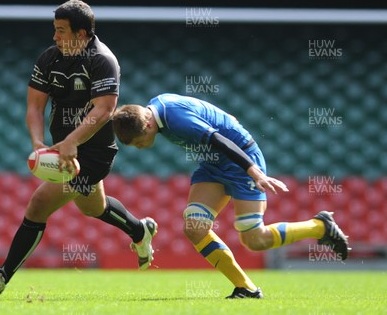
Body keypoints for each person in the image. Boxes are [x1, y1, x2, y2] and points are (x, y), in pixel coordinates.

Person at [0, 0, 157, 296]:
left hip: (95, 153)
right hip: (65, 149)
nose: (55, 36)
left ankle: (1, 276)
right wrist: (38, 142)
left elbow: (104, 110)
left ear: (83, 33)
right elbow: (35, 107)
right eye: (55, 29)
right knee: (94, 208)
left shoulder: (102, 60)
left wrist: (72, 142)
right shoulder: (49, 59)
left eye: (61, 31)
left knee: (38, 205)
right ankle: (140, 231)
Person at [111, 93, 350, 298]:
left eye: (139, 142)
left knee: (255, 239)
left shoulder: (177, 120)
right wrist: (227, 118)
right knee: (195, 228)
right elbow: (208, 114)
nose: (139, 147)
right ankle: (246, 288)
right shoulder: (154, 107)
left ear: (149, 125)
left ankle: (319, 226)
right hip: (214, 164)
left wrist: (254, 172)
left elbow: (219, 139)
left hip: (241, 161)